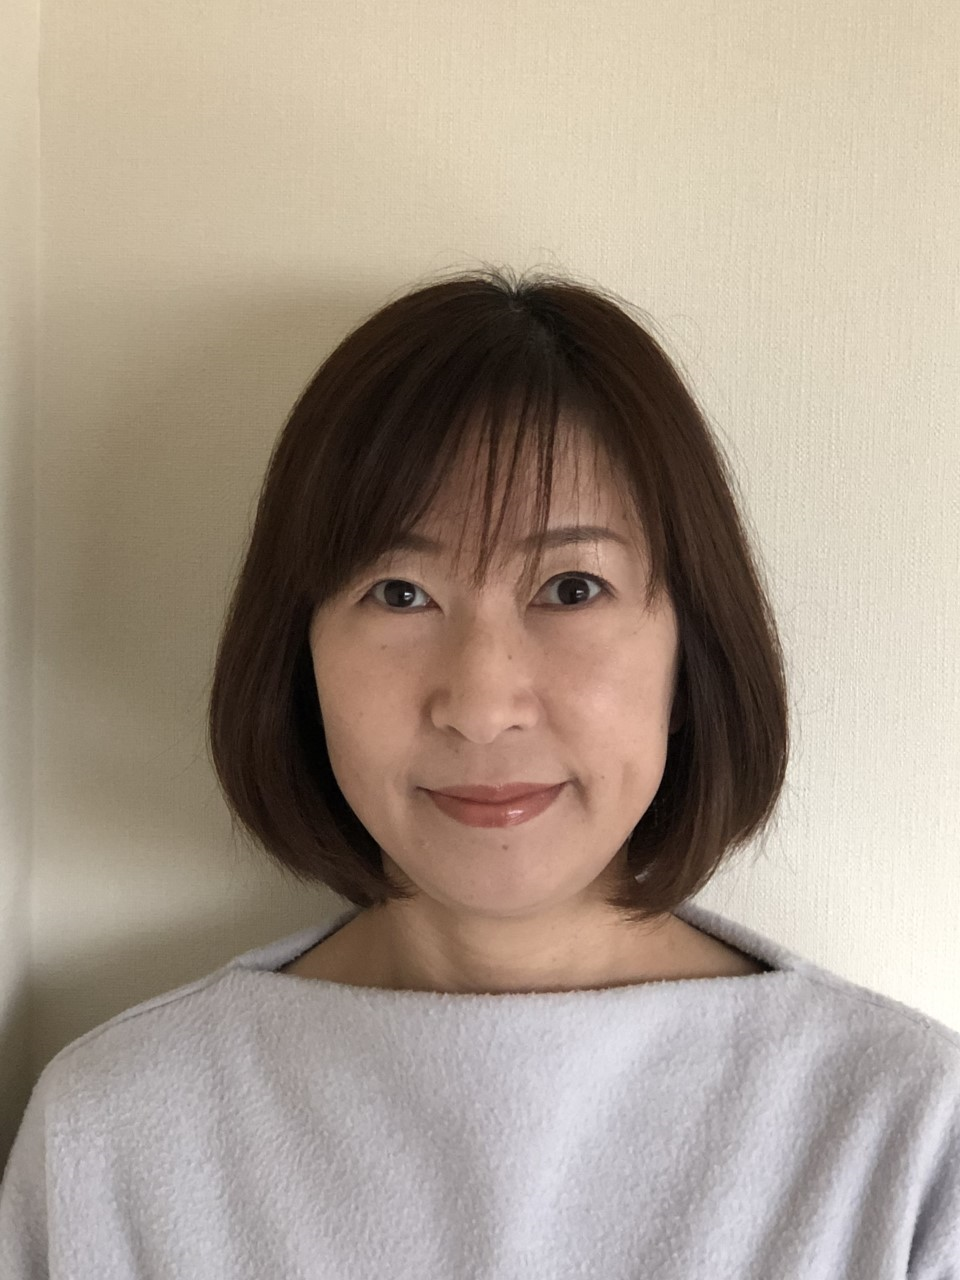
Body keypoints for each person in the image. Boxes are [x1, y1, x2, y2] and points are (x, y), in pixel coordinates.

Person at [1, 267, 957, 1277]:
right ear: (298, 658)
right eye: (399, 592)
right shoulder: (118, 1137)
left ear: (692, 650)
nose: (483, 701)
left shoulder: (902, 1140)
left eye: (572, 587)